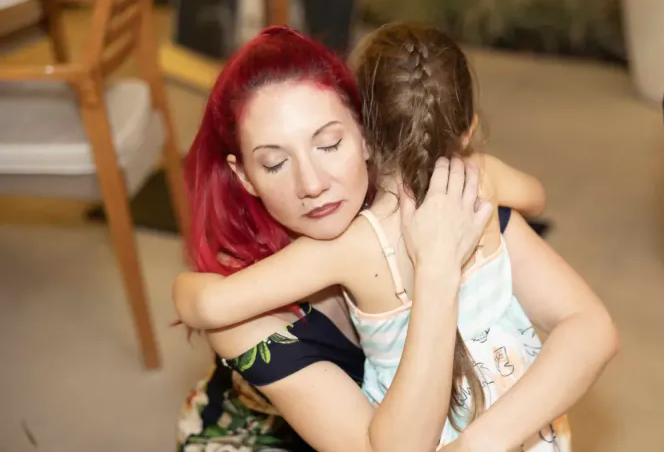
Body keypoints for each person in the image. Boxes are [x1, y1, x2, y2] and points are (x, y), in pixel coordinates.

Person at [175, 23, 618, 451]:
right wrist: (437, 269)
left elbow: (589, 326)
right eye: (275, 163)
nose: (312, 184)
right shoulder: (246, 310)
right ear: (244, 175)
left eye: (329, 144)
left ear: (366, 132)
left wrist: (485, 439)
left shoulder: (442, 198)